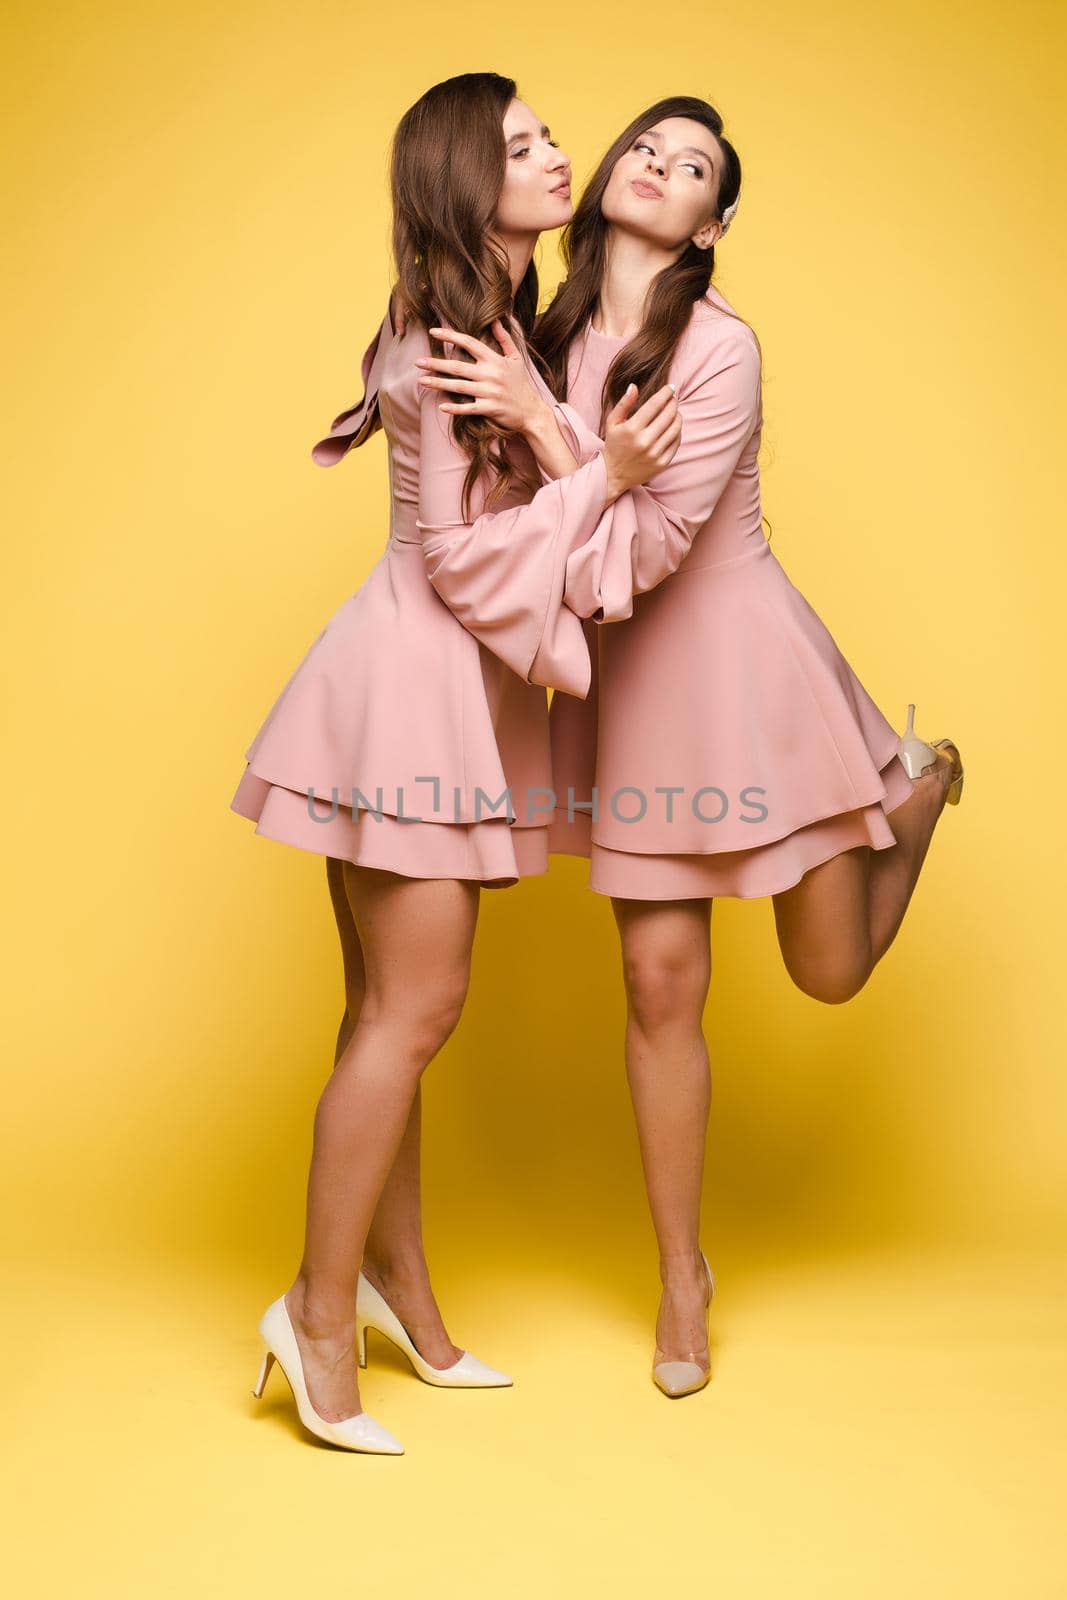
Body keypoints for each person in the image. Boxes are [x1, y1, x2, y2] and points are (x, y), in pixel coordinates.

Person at [415, 94, 965, 1401]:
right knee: (662, 988)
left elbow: (636, 563)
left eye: (694, 165)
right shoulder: (540, 332)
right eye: (645, 147)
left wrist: (554, 441)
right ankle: (682, 1280)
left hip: (743, 679)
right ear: (610, 178)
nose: (659, 165)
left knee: (828, 975)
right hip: (630, 700)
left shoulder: (722, 351)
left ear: (712, 221)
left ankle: (924, 782)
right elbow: (516, 538)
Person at [232, 73, 681, 1452]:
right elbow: (452, 559)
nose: (557, 155)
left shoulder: (496, 327)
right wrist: (596, 474)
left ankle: (394, 1292)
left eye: (550, 138)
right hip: (410, 699)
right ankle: (314, 1323)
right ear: (462, 181)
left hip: (429, 694)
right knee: (411, 1015)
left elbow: (521, 543)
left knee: (389, 1016)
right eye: (524, 145)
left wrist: (565, 446)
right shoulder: (444, 340)